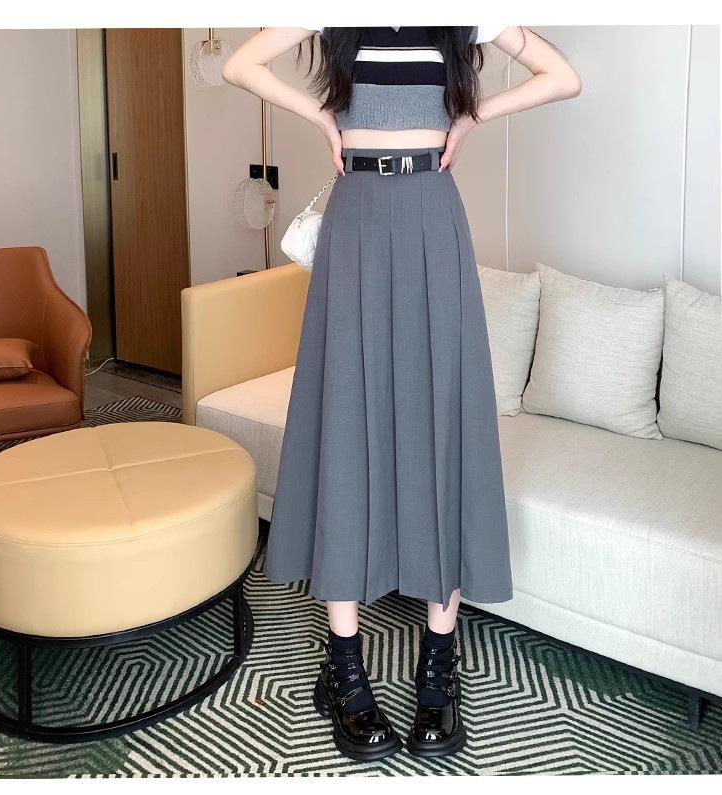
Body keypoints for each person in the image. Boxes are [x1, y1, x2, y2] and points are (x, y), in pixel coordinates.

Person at [222, 25, 581, 761]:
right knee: (345, 421)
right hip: (356, 216)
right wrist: (322, 118)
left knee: (440, 423)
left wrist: (472, 116)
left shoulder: (462, 13)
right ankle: (344, 669)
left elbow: (562, 75)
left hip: (432, 214)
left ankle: (438, 669)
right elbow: (240, 63)